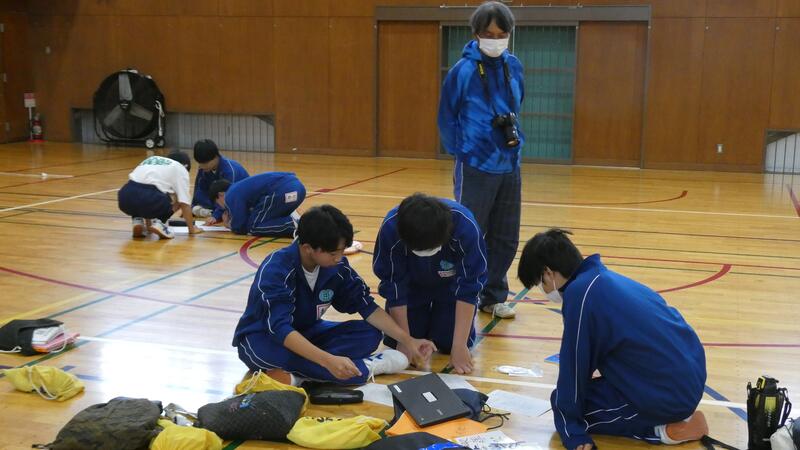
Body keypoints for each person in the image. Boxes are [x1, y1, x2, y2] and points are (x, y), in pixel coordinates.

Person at [517, 229, 708, 449]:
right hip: (691, 377)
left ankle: (663, 430)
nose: (544, 290)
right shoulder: (603, 277)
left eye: (540, 283)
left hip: (669, 396)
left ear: (548, 272)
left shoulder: (579, 294)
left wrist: (571, 429)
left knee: (563, 403)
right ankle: (673, 412)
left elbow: (574, 369)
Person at [233, 205, 436, 385]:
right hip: (264, 338)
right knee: (280, 358)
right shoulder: (276, 269)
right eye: (333, 253)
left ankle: (299, 376)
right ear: (308, 248)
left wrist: (409, 340)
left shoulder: (336, 268)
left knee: (370, 333)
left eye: (342, 251)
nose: (339, 258)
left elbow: (367, 306)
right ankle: (366, 368)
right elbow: (280, 329)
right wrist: (327, 360)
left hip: (310, 332)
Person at [438, 1, 525, 320]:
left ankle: (493, 295)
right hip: (475, 164)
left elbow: (518, 104)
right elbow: (446, 116)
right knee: (468, 232)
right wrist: (462, 152)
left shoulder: (514, 66)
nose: (496, 40)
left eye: (502, 35)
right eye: (489, 34)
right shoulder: (462, 71)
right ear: (476, 34)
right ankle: (460, 293)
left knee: (506, 235)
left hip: (510, 163)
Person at [373, 193, 487, 375]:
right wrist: (405, 340)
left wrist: (459, 345)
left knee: (449, 342)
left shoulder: (465, 227)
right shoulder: (391, 228)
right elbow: (394, 287)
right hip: (412, 287)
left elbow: (469, 287)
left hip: (450, 287)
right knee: (402, 341)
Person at [118, 151, 202, 239]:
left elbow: (142, 187)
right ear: (185, 166)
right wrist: (192, 229)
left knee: (139, 194)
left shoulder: (152, 159)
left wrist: (149, 226)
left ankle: (137, 220)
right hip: (149, 198)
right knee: (178, 197)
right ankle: (159, 223)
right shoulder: (180, 168)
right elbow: (184, 203)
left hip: (125, 197)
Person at [208, 172, 304, 237]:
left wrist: (229, 225)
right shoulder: (239, 188)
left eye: (218, 204)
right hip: (298, 188)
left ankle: (294, 224)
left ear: (220, 195)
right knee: (266, 220)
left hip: (282, 191)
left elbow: (240, 227)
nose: (222, 207)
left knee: (253, 227)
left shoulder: (230, 195)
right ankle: (298, 221)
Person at [191, 139, 249, 224]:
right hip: (218, 203)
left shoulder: (229, 171)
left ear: (215, 157)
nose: (201, 166)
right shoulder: (204, 169)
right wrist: (193, 206)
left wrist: (215, 216)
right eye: (199, 163)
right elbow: (200, 191)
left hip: (239, 203)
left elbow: (228, 198)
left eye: (205, 163)